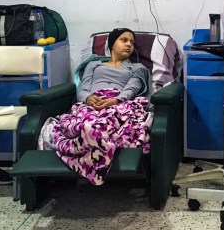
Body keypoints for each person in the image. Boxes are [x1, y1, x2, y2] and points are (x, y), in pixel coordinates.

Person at [39, 28, 153, 186]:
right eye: (124, 40)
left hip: (117, 103)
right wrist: (88, 98)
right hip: (90, 103)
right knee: (81, 123)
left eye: (132, 42)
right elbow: (83, 88)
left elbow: (131, 89)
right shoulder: (94, 64)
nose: (129, 45)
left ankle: (94, 143)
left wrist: (114, 101)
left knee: (106, 121)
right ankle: (95, 141)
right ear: (112, 44)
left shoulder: (137, 68)